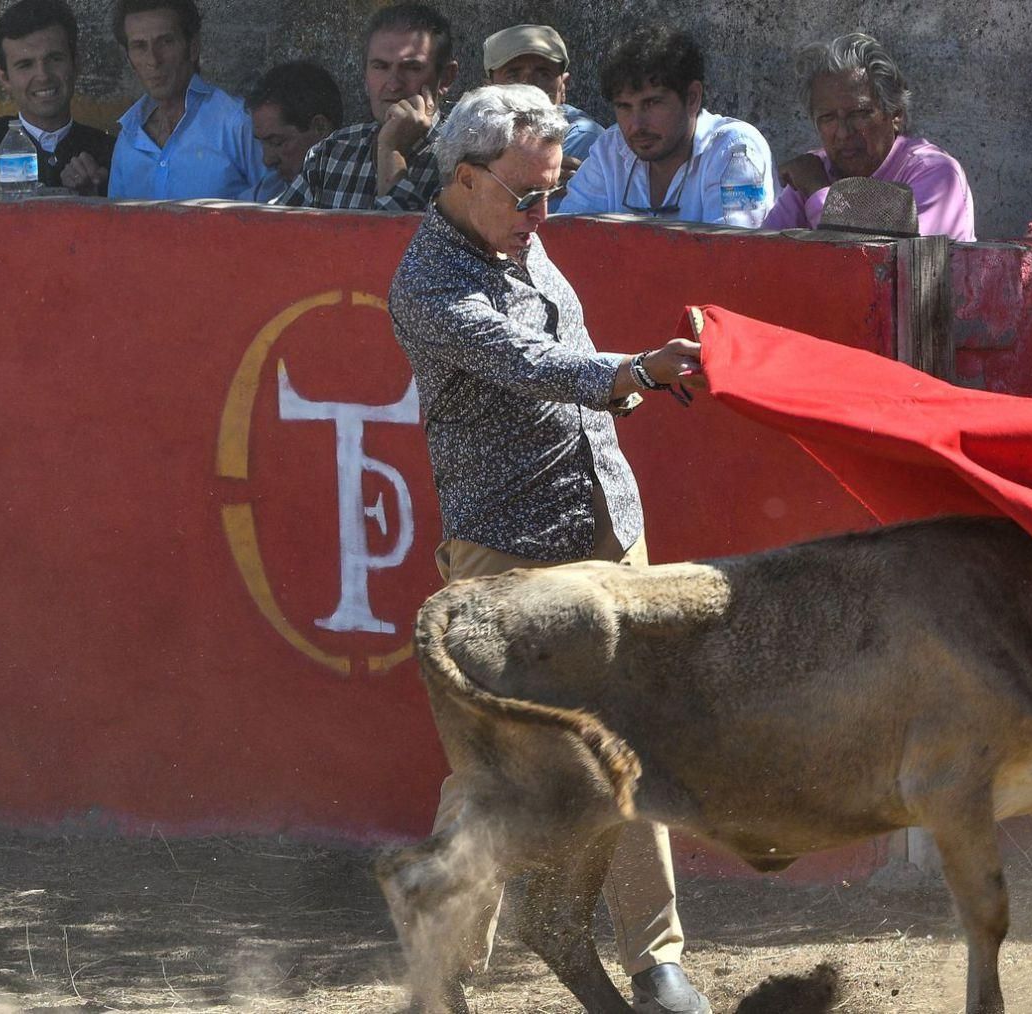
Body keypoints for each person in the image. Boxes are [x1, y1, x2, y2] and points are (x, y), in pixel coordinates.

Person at [387, 84, 711, 1014]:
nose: (542, 214)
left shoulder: (514, 234)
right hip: (508, 560)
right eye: (526, 195)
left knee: (631, 739)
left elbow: (560, 354)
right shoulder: (430, 281)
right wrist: (626, 372)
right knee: (504, 773)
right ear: (464, 179)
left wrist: (629, 377)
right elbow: (527, 365)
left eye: (553, 194)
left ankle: (658, 963)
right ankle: (442, 953)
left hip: (608, 531)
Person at [762, 32, 976, 240]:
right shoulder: (816, 170)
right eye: (828, 118)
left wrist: (817, 191)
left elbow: (878, 266)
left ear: (896, 115)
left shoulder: (934, 174)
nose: (844, 133)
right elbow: (757, 256)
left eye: (859, 114)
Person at [557, 27, 774, 225]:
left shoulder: (736, 150)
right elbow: (568, 237)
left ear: (692, 98)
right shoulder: (610, 150)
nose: (636, 125)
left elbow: (731, 254)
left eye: (652, 103)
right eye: (624, 106)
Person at [275, 3, 456, 210]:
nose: (393, 84)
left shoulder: (460, 162)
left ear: (446, 78)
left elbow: (401, 240)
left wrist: (391, 150)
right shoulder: (332, 152)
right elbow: (277, 235)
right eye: (380, 66)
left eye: (412, 68)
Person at [0, 0, 114, 195]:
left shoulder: (109, 151)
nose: (43, 76)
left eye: (54, 59)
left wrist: (95, 193)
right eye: (25, 65)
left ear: (76, 65)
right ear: (5, 78)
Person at [106, 0, 279, 200]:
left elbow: (276, 207)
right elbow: (117, 225)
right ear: (129, 59)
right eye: (139, 46)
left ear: (193, 48)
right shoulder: (128, 138)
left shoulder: (236, 123)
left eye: (166, 42)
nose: (153, 60)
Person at [482, 23, 602, 204]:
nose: (529, 85)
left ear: (563, 86)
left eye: (543, 74)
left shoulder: (580, 138)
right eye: (513, 75)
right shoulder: (474, 134)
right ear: (489, 88)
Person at [245, 60, 342, 183]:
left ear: (320, 127)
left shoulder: (349, 195)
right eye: (262, 143)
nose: (267, 160)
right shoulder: (267, 189)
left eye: (277, 142)